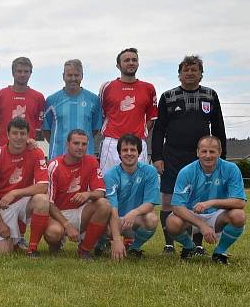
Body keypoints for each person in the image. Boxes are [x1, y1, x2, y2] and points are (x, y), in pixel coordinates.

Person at [152, 55, 227, 255]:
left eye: (194, 70)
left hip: (201, 158)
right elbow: (159, 130)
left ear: (201, 74)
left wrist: (223, 157)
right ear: (179, 74)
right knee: (168, 200)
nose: (190, 73)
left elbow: (219, 127)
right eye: (186, 70)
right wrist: (157, 156)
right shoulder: (168, 97)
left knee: (198, 200)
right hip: (172, 157)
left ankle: (198, 244)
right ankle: (169, 244)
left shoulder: (210, 95)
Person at [165, 136, 245, 264]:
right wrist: (202, 226)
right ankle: (189, 247)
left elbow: (240, 202)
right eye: (204, 151)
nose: (208, 156)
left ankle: (220, 252)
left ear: (219, 152)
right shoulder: (186, 172)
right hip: (192, 215)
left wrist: (211, 202)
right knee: (172, 222)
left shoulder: (231, 169)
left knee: (239, 215)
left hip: (217, 214)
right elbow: (177, 207)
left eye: (212, 151)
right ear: (197, 152)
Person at [0, 117, 51, 256]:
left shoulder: (36, 152)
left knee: (42, 200)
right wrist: (0, 223)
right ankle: (14, 238)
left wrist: (15, 193)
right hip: (4, 206)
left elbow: (43, 187)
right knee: (4, 252)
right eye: (14, 133)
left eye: (22, 133)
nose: (19, 137)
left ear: (28, 136)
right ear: (7, 135)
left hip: (23, 201)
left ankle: (32, 249)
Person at [45, 130, 111, 260]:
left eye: (84, 144)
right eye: (76, 143)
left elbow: (101, 192)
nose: (80, 147)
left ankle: (84, 249)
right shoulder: (54, 165)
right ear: (67, 144)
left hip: (79, 211)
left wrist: (88, 194)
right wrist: (67, 225)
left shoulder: (91, 161)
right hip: (57, 213)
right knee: (54, 233)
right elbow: (49, 203)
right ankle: (56, 245)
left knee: (104, 204)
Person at [98, 47, 157, 172]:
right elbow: (102, 114)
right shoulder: (107, 87)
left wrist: (141, 133)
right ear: (118, 65)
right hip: (112, 143)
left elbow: (152, 117)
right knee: (108, 184)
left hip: (138, 143)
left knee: (138, 184)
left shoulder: (149, 88)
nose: (131, 63)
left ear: (138, 63)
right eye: (127, 60)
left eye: (134, 60)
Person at [104, 134, 160, 259]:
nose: (129, 153)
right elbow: (112, 208)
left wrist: (134, 213)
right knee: (101, 222)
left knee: (152, 219)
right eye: (125, 150)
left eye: (133, 150)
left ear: (139, 153)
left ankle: (134, 247)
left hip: (134, 220)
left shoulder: (150, 171)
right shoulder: (110, 175)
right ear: (119, 154)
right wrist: (117, 239)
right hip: (114, 220)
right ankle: (103, 244)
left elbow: (150, 203)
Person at [42, 59, 103, 159]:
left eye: (76, 75)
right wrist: (59, 143)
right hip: (58, 156)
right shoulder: (51, 100)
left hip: (85, 156)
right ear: (63, 76)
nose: (73, 78)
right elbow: (46, 130)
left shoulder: (94, 100)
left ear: (82, 76)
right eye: (69, 75)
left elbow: (95, 129)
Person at [0, 57, 45, 146]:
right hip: (3, 147)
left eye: (26, 71)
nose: (22, 74)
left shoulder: (38, 97)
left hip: (27, 147)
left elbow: (37, 127)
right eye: (19, 71)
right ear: (13, 73)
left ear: (30, 73)